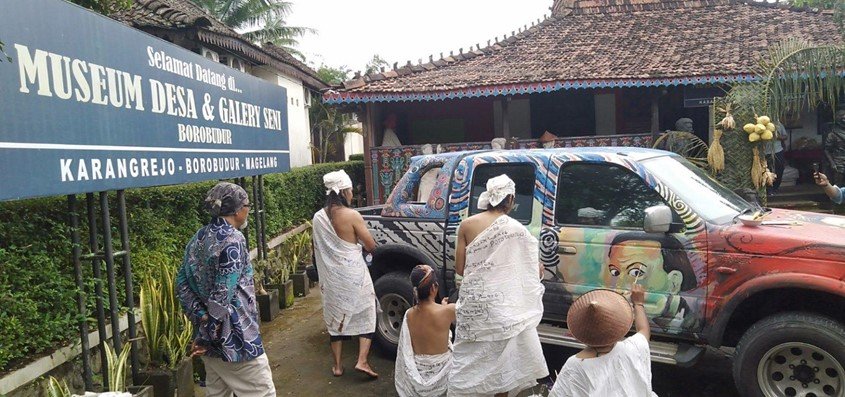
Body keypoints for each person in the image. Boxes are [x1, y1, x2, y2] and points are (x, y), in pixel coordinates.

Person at [449, 174, 548, 397]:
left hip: (475, 306)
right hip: (504, 309)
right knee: (501, 366)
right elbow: (533, 271)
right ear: (510, 199)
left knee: (472, 360)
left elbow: (460, 269)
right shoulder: (517, 230)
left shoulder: (467, 224)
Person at [176, 182, 276, 396]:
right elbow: (222, 294)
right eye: (247, 204)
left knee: (218, 393)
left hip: (210, 342)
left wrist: (202, 321)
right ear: (238, 210)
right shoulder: (233, 239)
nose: (248, 209)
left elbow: (182, 284)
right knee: (262, 392)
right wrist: (209, 334)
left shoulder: (198, 238)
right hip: (236, 339)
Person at [311, 169, 379, 378]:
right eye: (350, 190)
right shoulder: (352, 215)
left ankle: (338, 366)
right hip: (354, 275)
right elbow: (370, 245)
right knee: (367, 312)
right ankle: (362, 361)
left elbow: (317, 250)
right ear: (343, 191)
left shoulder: (318, 218)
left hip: (332, 279)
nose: (352, 194)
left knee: (335, 320)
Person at [548, 285, 657, 397]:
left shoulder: (574, 365)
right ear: (620, 328)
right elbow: (644, 330)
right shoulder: (633, 348)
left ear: (579, 332)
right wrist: (638, 303)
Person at [605, 233, 698, 331]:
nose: (619, 287)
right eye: (615, 272)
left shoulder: (692, 326)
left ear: (674, 282)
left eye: (637, 273)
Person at [395, 265, 456, 397]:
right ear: (434, 287)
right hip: (443, 373)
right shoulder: (449, 311)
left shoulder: (409, 314)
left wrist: (442, 307)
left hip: (417, 370)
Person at [766, 123, 788, 193]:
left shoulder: (778, 124)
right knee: (767, 171)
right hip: (765, 153)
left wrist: (776, 136)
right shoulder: (760, 125)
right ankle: (768, 189)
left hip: (778, 151)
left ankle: (775, 188)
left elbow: (785, 136)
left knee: (779, 170)